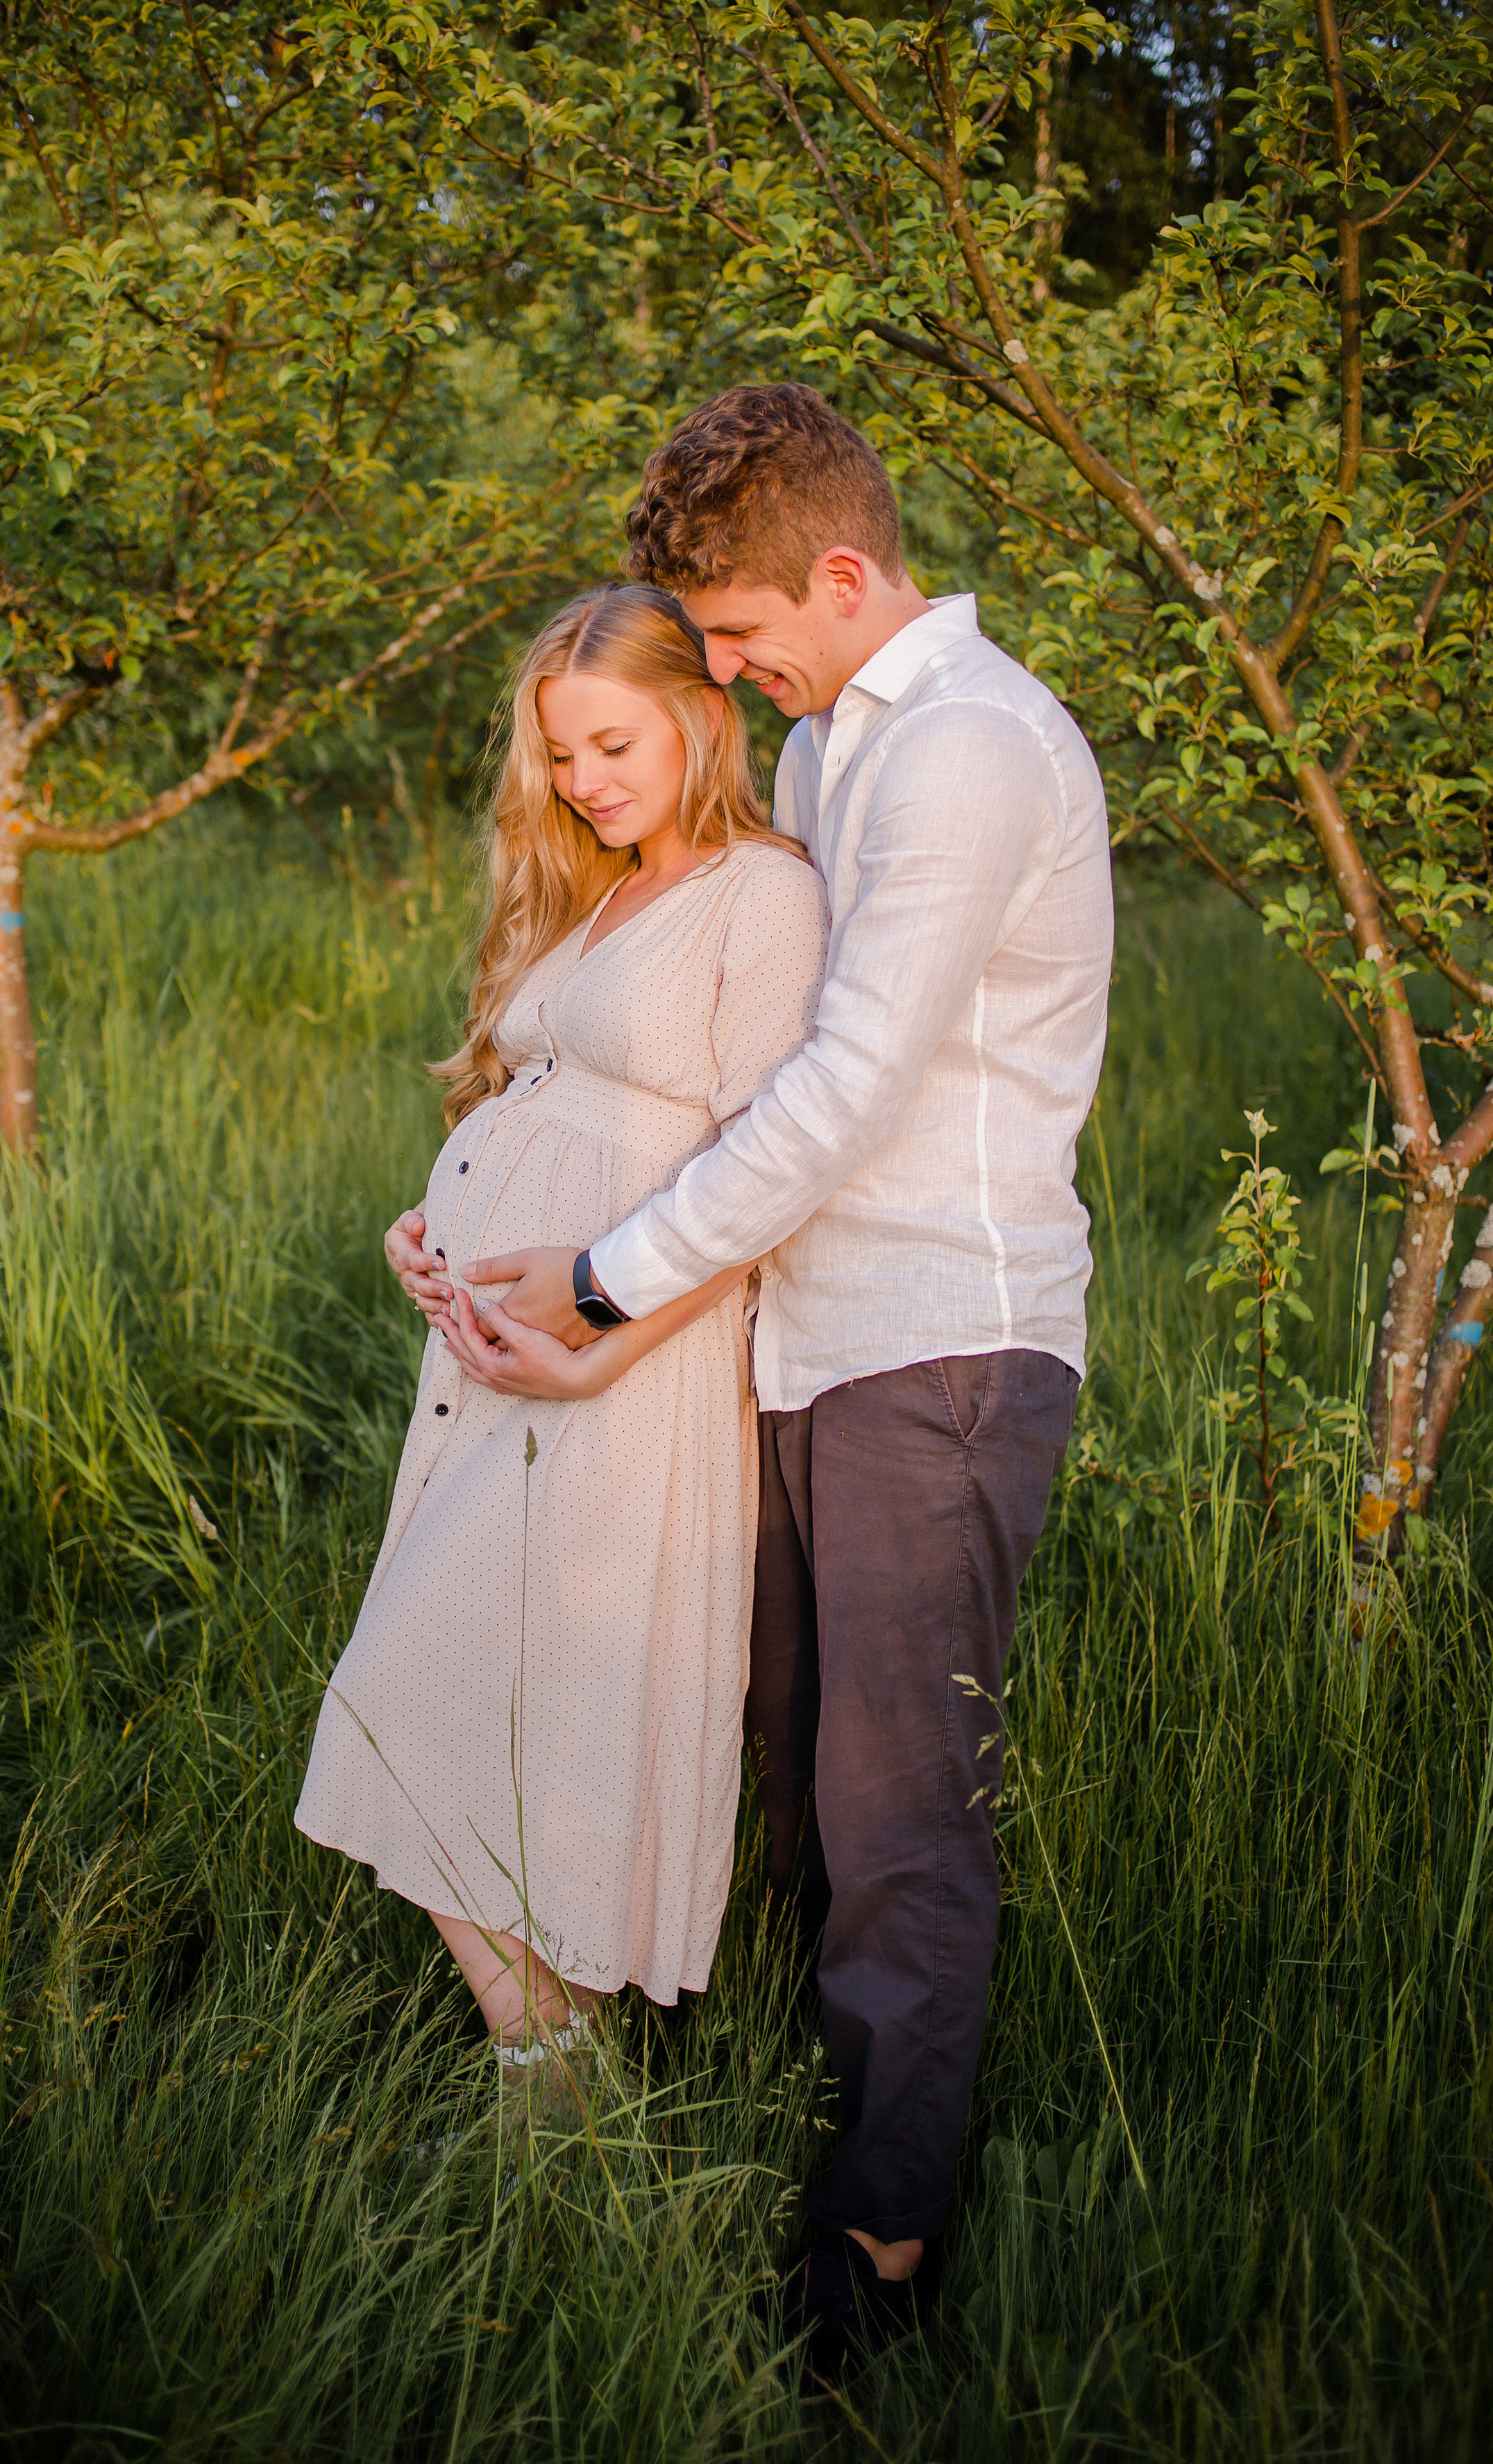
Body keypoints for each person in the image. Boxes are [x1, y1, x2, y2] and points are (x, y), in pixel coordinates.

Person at [419, 385, 1113, 2369]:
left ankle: (875, 2255)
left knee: (897, 1818)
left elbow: (843, 1086)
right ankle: (771, 2101)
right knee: (797, 1769)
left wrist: (605, 1282)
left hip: (938, 1340)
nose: (721, 671)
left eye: (733, 632)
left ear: (840, 569)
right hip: (798, 1336)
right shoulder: (833, 748)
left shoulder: (967, 747)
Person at [295, 583, 829, 2095]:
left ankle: (556, 2072)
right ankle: (558, 2071)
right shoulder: (604, 893)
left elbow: (761, 1174)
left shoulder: (759, 896)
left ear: (701, 718)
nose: (584, 781)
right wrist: (434, 1219)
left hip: (623, 1372)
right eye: (562, 755)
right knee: (490, 1693)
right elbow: (538, 1106)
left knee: (417, 1692)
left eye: (613, 744)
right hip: (507, 1366)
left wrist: (606, 1340)